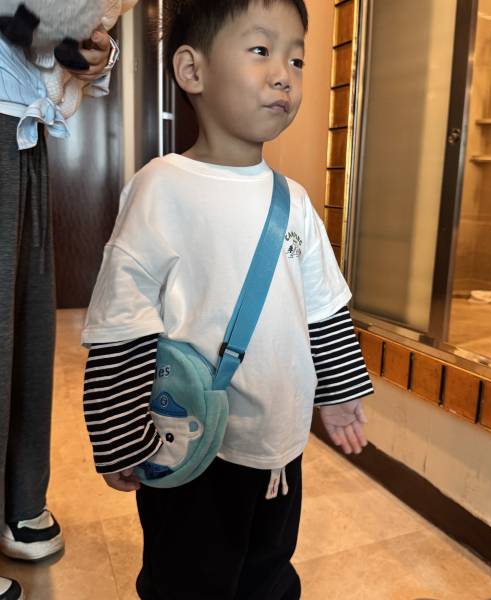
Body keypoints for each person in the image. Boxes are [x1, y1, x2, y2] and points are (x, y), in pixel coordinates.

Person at [80, 0, 374, 598]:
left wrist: (341, 394)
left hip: (278, 443)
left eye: (296, 59)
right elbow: (122, 318)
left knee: (269, 569)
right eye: (261, 50)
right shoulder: (160, 187)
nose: (284, 75)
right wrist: (116, 430)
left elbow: (323, 310)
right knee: (187, 578)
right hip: (191, 445)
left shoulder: (294, 202)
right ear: (193, 71)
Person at [0, 8, 128, 600]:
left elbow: (65, 29)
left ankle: (18, 499)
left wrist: (98, 53)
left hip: (19, 121)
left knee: (25, 326)